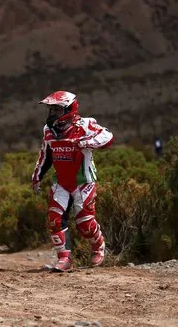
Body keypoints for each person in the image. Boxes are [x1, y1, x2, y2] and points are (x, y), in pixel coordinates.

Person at [31, 90, 114, 272]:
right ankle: (65, 259)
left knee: (84, 223)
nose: (52, 114)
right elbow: (46, 155)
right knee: (54, 219)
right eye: (51, 110)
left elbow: (107, 136)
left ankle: (98, 245)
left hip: (83, 180)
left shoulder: (85, 125)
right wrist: (37, 176)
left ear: (69, 109)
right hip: (61, 181)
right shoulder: (48, 131)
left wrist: (86, 143)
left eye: (57, 110)